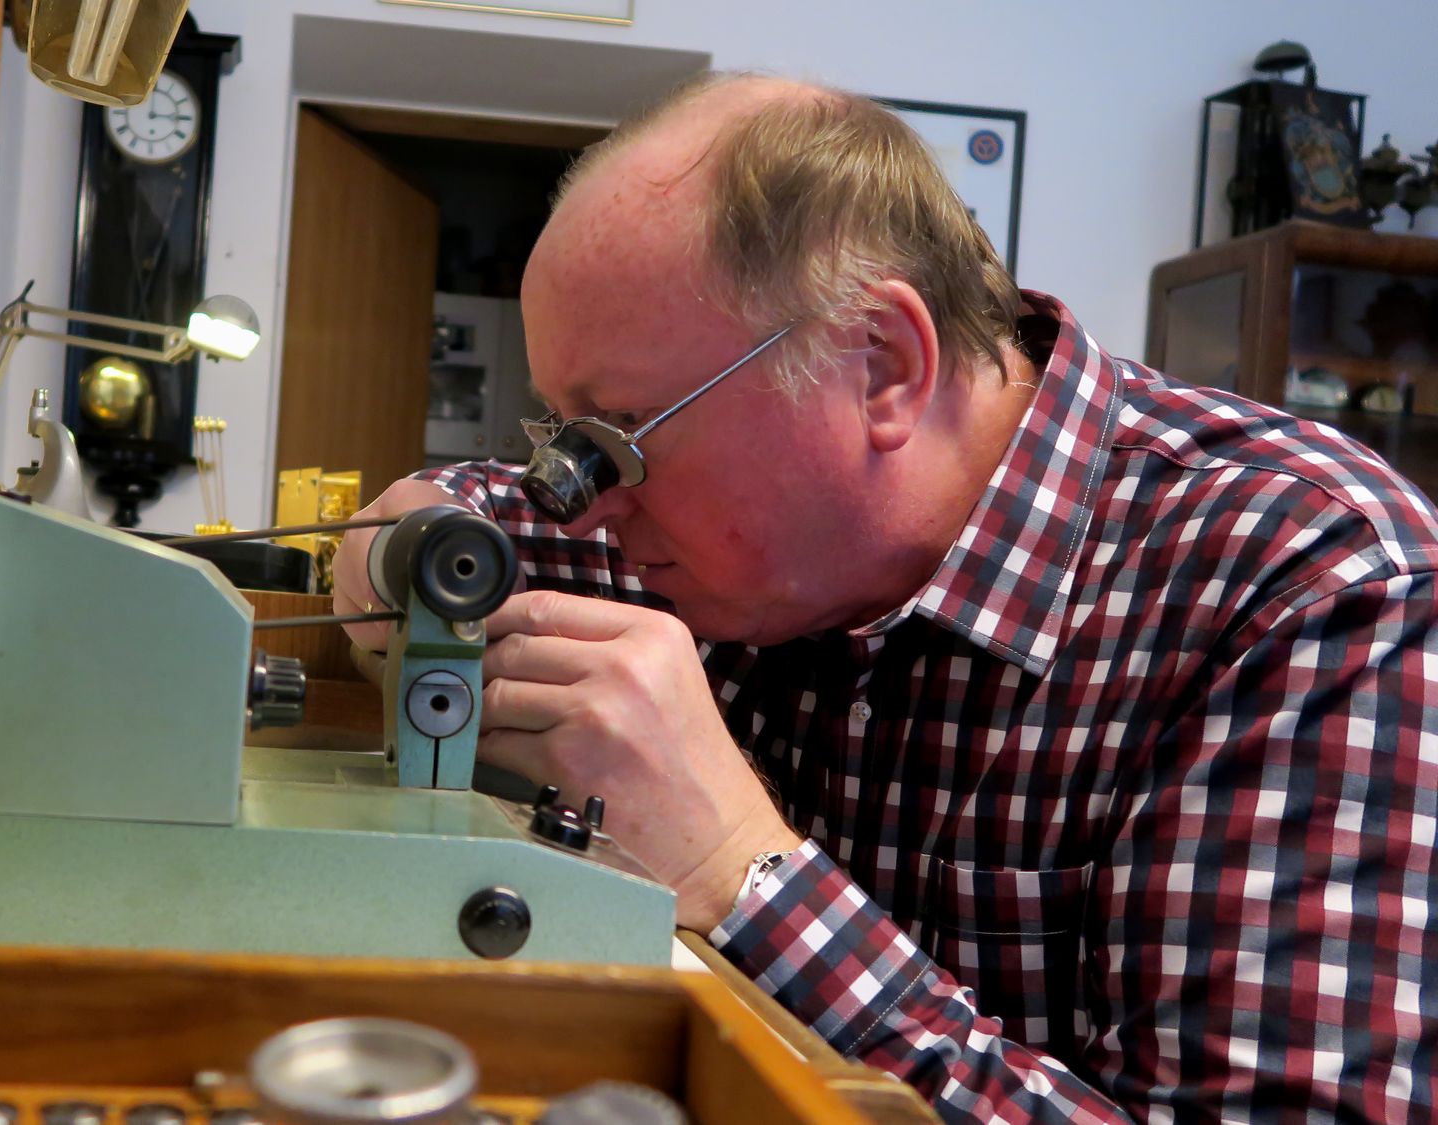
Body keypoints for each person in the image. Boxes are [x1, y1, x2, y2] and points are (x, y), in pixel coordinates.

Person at [332, 73, 1438, 1122]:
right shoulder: (703, 538)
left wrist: (740, 874)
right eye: (563, 441)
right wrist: (410, 540)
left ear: (882, 365)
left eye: (612, 440)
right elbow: (480, 516)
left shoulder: (1311, 585)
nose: (581, 510)